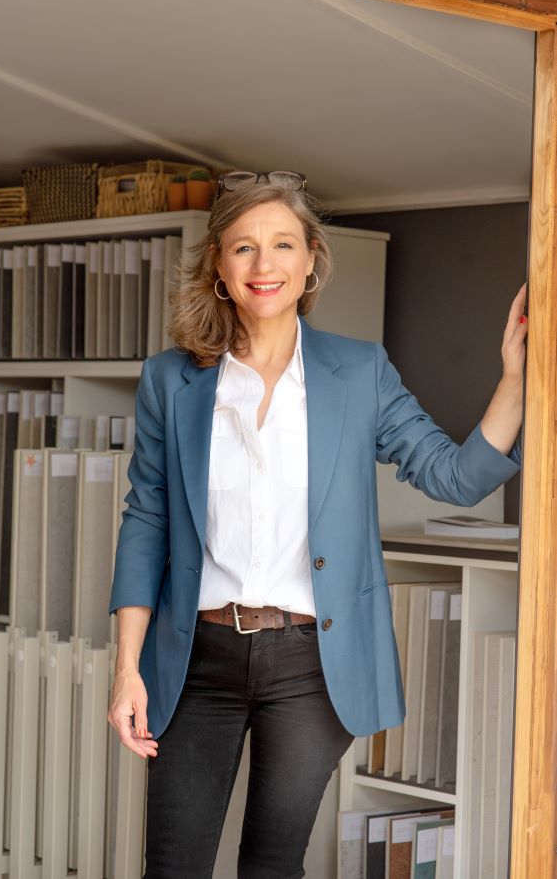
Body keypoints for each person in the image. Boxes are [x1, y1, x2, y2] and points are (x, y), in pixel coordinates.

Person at [107, 171, 527, 879]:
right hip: (195, 658)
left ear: (310, 262)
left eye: (281, 246)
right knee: (172, 866)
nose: (263, 265)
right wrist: (126, 669)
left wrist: (513, 377)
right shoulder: (171, 381)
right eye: (243, 248)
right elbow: (146, 521)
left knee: (273, 864)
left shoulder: (357, 372)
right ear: (218, 264)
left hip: (312, 666)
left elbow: (452, 476)